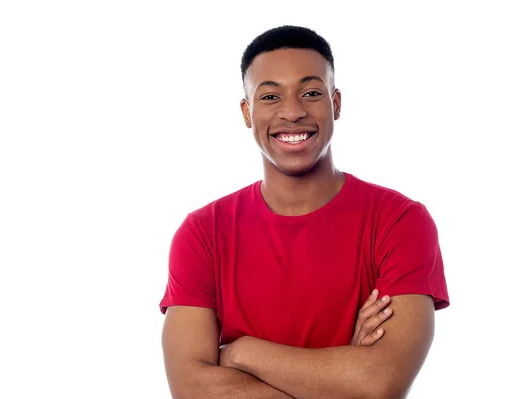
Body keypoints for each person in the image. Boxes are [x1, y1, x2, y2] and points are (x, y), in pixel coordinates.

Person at [159, 25, 449, 399]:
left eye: (311, 93)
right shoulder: (201, 233)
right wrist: (341, 377)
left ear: (336, 104)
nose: (292, 112)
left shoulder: (400, 221)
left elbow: (379, 384)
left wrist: (241, 353)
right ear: (247, 113)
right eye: (270, 97)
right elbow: (191, 388)